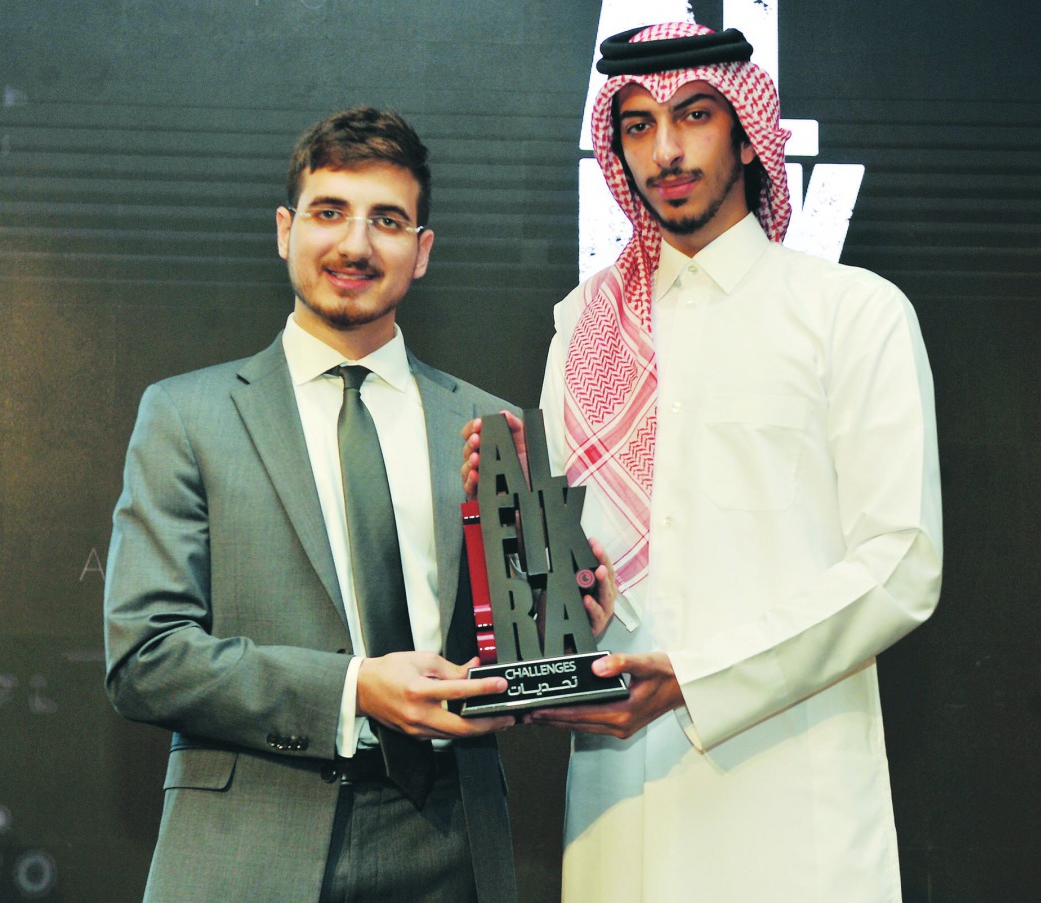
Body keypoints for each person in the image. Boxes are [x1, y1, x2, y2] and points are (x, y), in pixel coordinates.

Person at [464, 21, 943, 902]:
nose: (667, 150)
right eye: (638, 126)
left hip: (788, 794)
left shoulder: (850, 312)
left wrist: (695, 676)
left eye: (694, 114)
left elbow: (900, 563)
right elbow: (579, 578)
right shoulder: (584, 326)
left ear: (749, 135)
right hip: (620, 801)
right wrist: (528, 554)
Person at [104, 106, 520, 903]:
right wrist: (354, 688)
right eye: (330, 212)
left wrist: (572, 605)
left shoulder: (489, 425)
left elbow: (517, 649)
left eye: (388, 220)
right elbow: (144, 659)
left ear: (422, 251)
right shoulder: (187, 415)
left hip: (454, 847)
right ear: (285, 229)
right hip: (248, 844)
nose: (356, 244)